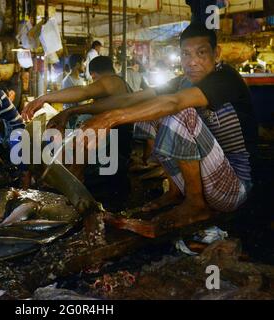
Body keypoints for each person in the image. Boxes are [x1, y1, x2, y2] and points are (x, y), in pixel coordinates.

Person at [77, 23, 257, 238]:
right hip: (208, 181)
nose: (192, 61)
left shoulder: (226, 78)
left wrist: (110, 119)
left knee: (179, 111)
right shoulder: (183, 81)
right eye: (186, 54)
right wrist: (76, 111)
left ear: (216, 53)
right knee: (147, 110)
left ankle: (195, 204)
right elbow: (131, 99)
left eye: (201, 53)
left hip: (234, 188)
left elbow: (174, 103)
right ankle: (176, 192)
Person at [22, 56, 135, 209]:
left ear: (94, 74)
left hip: (113, 156)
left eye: (94, 80)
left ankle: (73, 178)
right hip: (115, 155)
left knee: (82, 130)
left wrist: (44, 98)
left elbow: (84, 91)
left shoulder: (113, 81)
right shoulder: (118, 89)